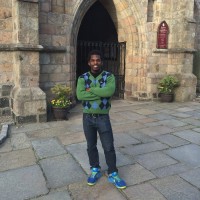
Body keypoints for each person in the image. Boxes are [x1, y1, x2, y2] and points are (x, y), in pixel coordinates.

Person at [76, 50, 126, 189]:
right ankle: (95, 169)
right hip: (87, 118)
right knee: (91, 146)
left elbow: (109, 92)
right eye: (93, 60)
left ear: (101, 62)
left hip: (103, 117)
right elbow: (80, 96)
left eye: (98, 60)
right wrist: (100, 94)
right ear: (89, 62)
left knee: (108, 146)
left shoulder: (108, 76)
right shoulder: (82, 78)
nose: (95, 63)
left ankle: (113, 173)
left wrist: (90, 90)